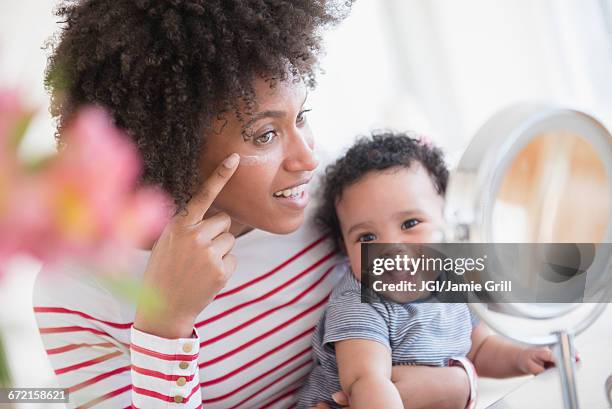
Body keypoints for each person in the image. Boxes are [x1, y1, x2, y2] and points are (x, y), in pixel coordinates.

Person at [35, 1, 473, 408]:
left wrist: (460, 383)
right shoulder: (76, 291)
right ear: (170, 148)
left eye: (301, 117)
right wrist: (165, 327)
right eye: (265, 135)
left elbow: (498, 294)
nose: (307, 159)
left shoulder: (341, 198)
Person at [297, 132, 556, 409]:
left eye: (410, 224)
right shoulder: (359, 304)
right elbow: (366, 380)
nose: (391, 248)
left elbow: (478, 349)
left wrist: (520, 358)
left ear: (447, 219)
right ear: (345, 248)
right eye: (367, 238)